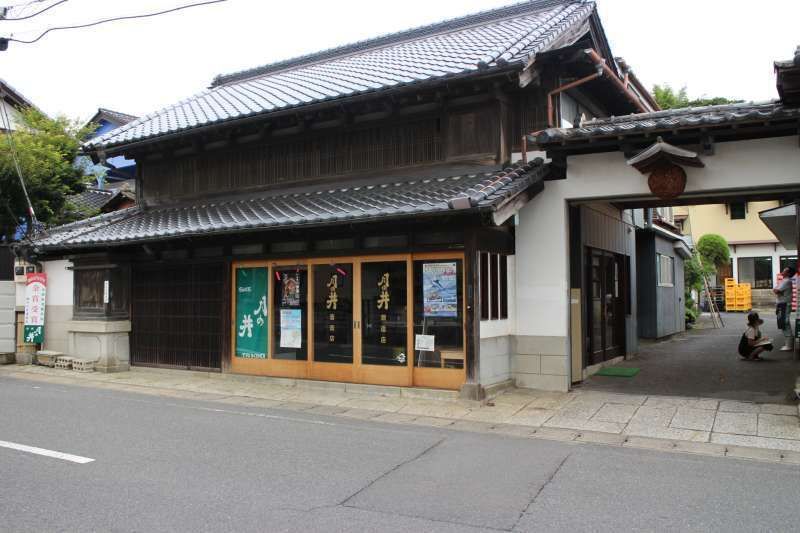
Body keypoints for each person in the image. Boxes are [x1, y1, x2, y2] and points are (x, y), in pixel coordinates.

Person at [773, 266, 796, 351]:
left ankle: (789, 345)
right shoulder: (785, 281)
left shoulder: (786, 281)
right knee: (783, 323)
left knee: (785, 323)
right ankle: (788, 342)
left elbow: (776, 290)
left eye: (784, 271)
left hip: (784, 304)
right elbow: (776, 290)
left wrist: (776, 290)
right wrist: (776, 290)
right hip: (782, 304)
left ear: (788, 273)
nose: (782, 271)